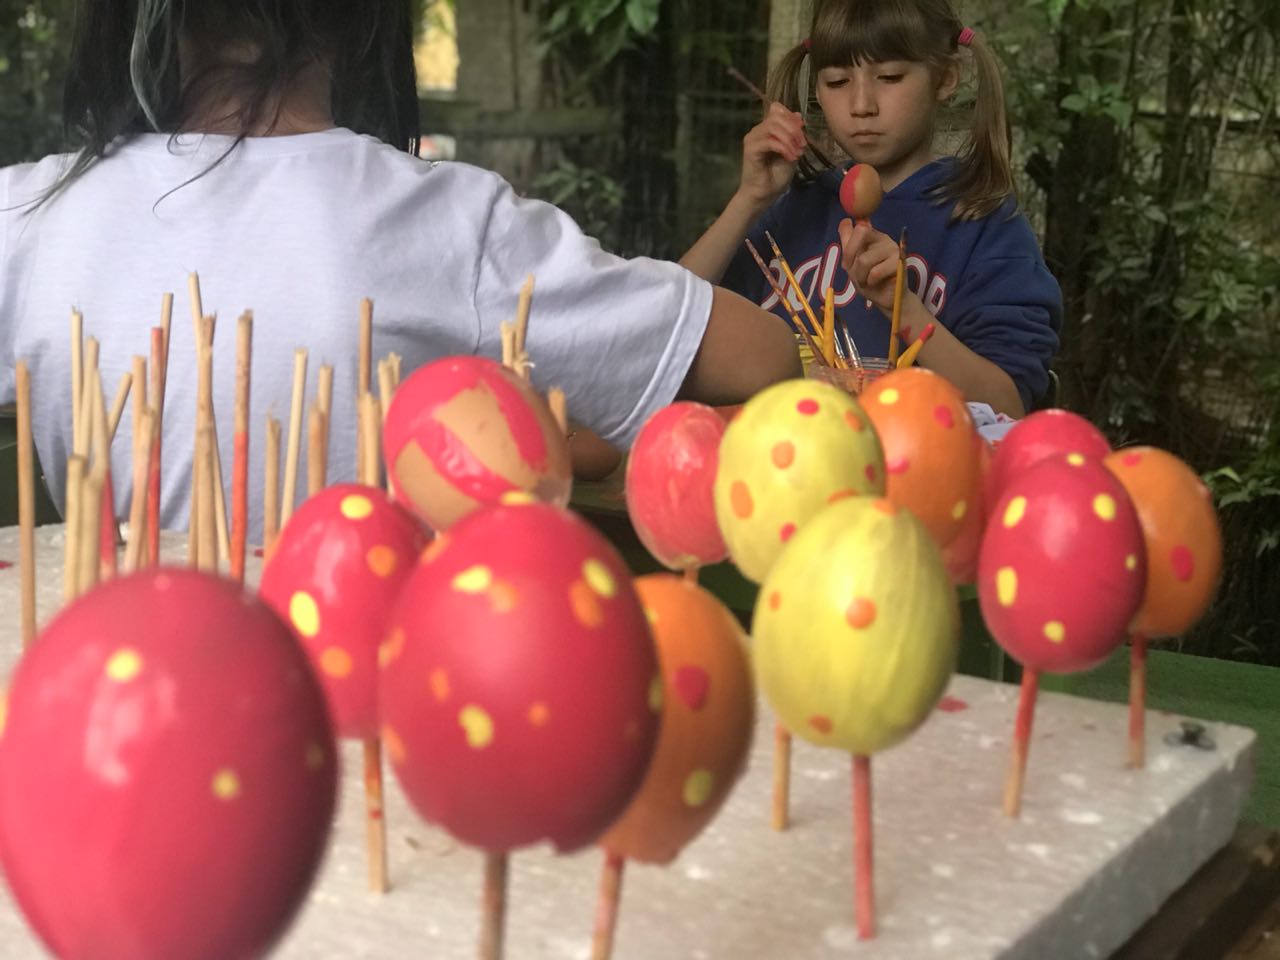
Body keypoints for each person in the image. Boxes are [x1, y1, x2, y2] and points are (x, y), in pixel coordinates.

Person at [0, 0, 798, 537]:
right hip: (359, 722)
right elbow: (761, 355)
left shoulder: (28, 215)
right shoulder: (452, 225)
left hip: (98, 715)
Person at [682, 0, 1060, 417]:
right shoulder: (790, 210)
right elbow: (664, 327)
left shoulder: (982, 223)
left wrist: (904, 309)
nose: (861, 104)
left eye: (890, 77)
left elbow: (1008, 405)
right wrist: (749, 199)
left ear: (945, 78)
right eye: (837, 81)